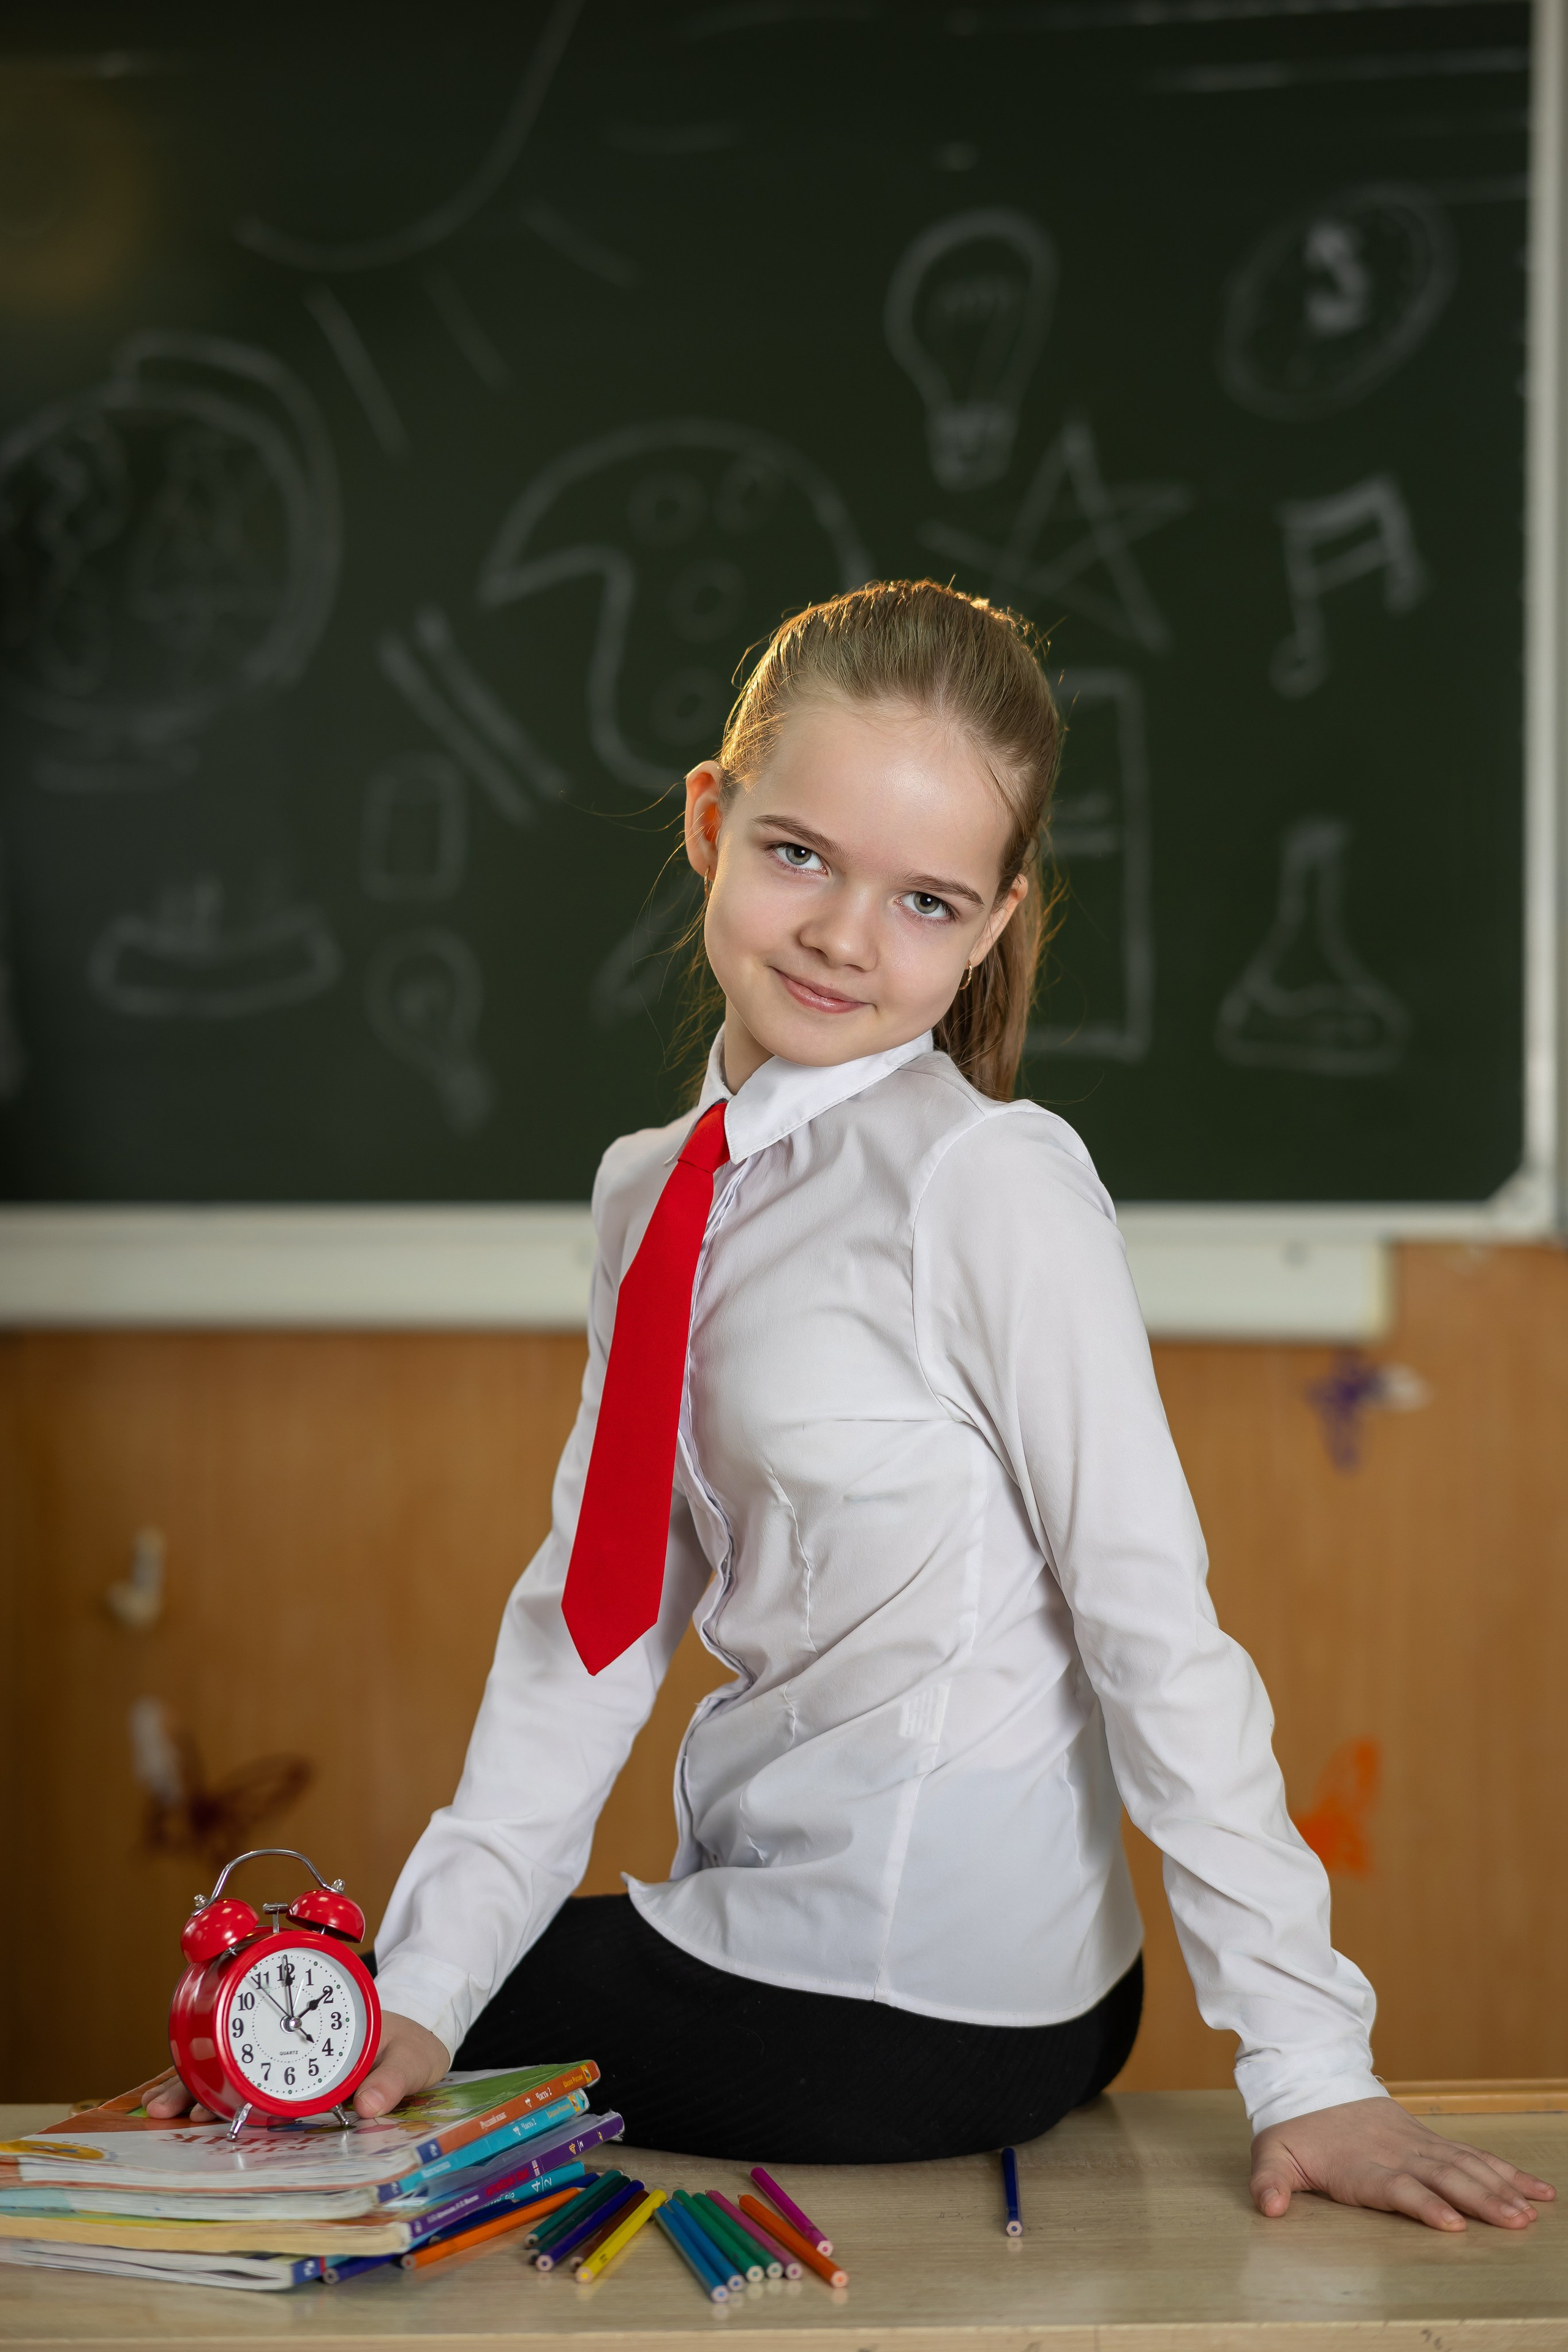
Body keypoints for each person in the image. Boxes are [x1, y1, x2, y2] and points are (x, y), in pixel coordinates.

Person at [154, 582, 1550, 2229]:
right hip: (776, 1915)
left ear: (994, 923)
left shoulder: (990, 1180)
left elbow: (1150, 1626)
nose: (840, 936)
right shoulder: (650, 1197)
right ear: (709, 817)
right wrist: (426, 1977)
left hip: (926, 1996)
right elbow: (593, 1624)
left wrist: (1315, 2067)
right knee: (381, 1995)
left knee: (331, 2031)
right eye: (800, 854)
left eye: (926, 900)